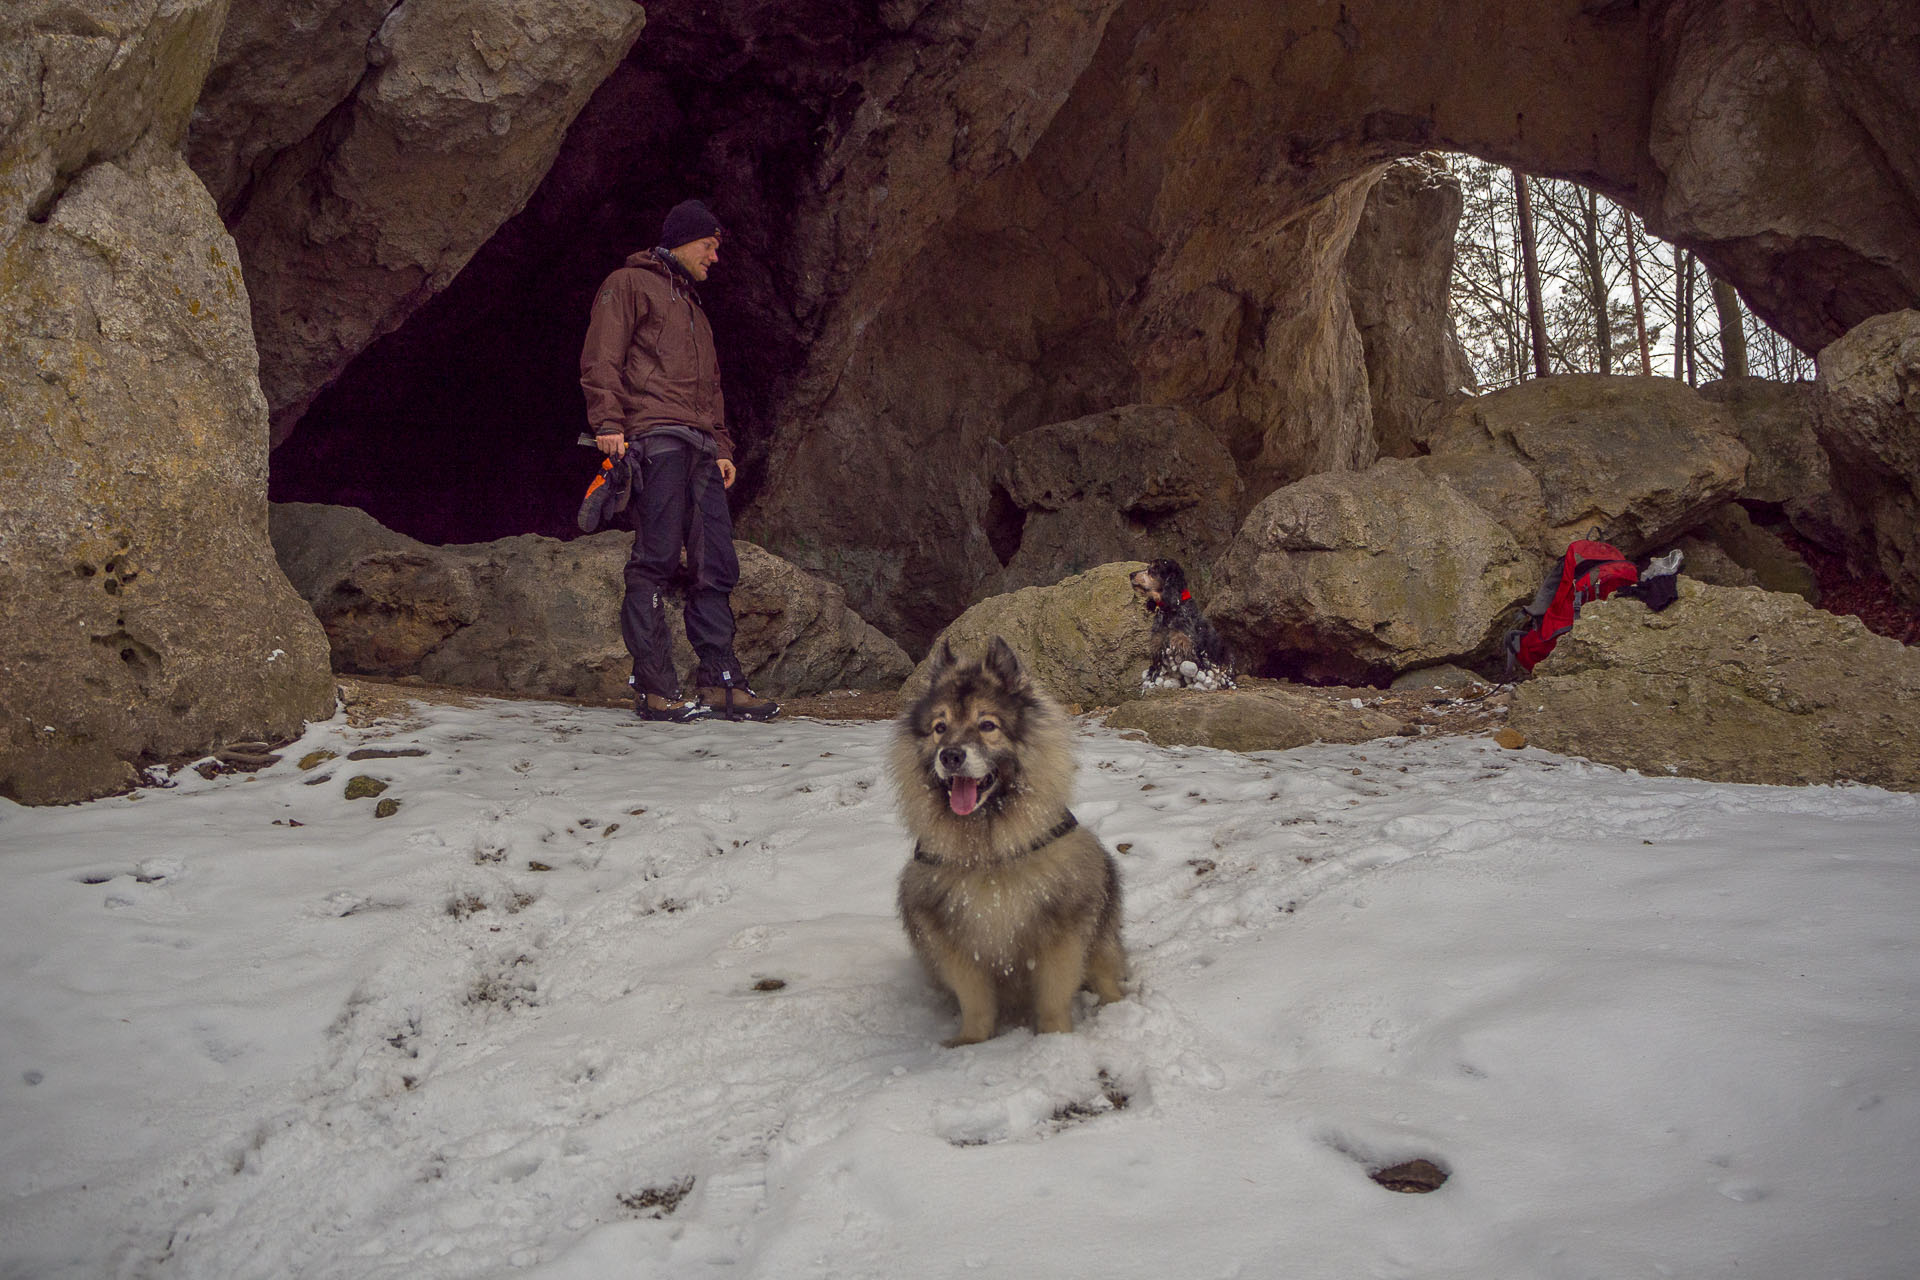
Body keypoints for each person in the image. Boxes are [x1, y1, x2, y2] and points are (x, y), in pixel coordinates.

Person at [579, 198, 779, 722]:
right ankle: (655, 688)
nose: (716, 258)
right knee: (657, 560)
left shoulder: (695, 312)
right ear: (684, 239)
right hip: (655, 441)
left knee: (717, 564)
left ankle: (721, 684)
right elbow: (603, 357)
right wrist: (608, 424)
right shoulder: (626, 284)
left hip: (701, 450)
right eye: (710, 246)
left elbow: (712, 390)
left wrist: (725, 449)